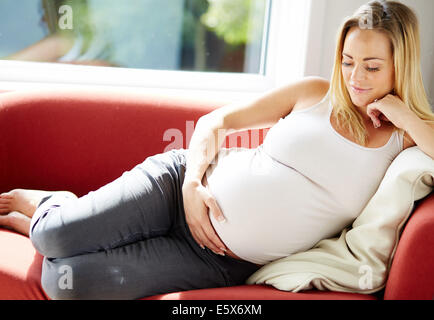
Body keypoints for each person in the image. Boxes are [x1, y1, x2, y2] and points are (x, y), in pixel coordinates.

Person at [1, 0, 434, 299]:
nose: (355, 77)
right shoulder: (314, 93)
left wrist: (405, 114)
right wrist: (192, 185)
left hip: (218, 259)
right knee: (51, 235)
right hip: (177, 189)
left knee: (67, 284)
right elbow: (216, 122)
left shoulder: (405, 139)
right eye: (347, 61)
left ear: (402, 64)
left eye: (372, 66)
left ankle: (61, 221)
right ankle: (52, 210)